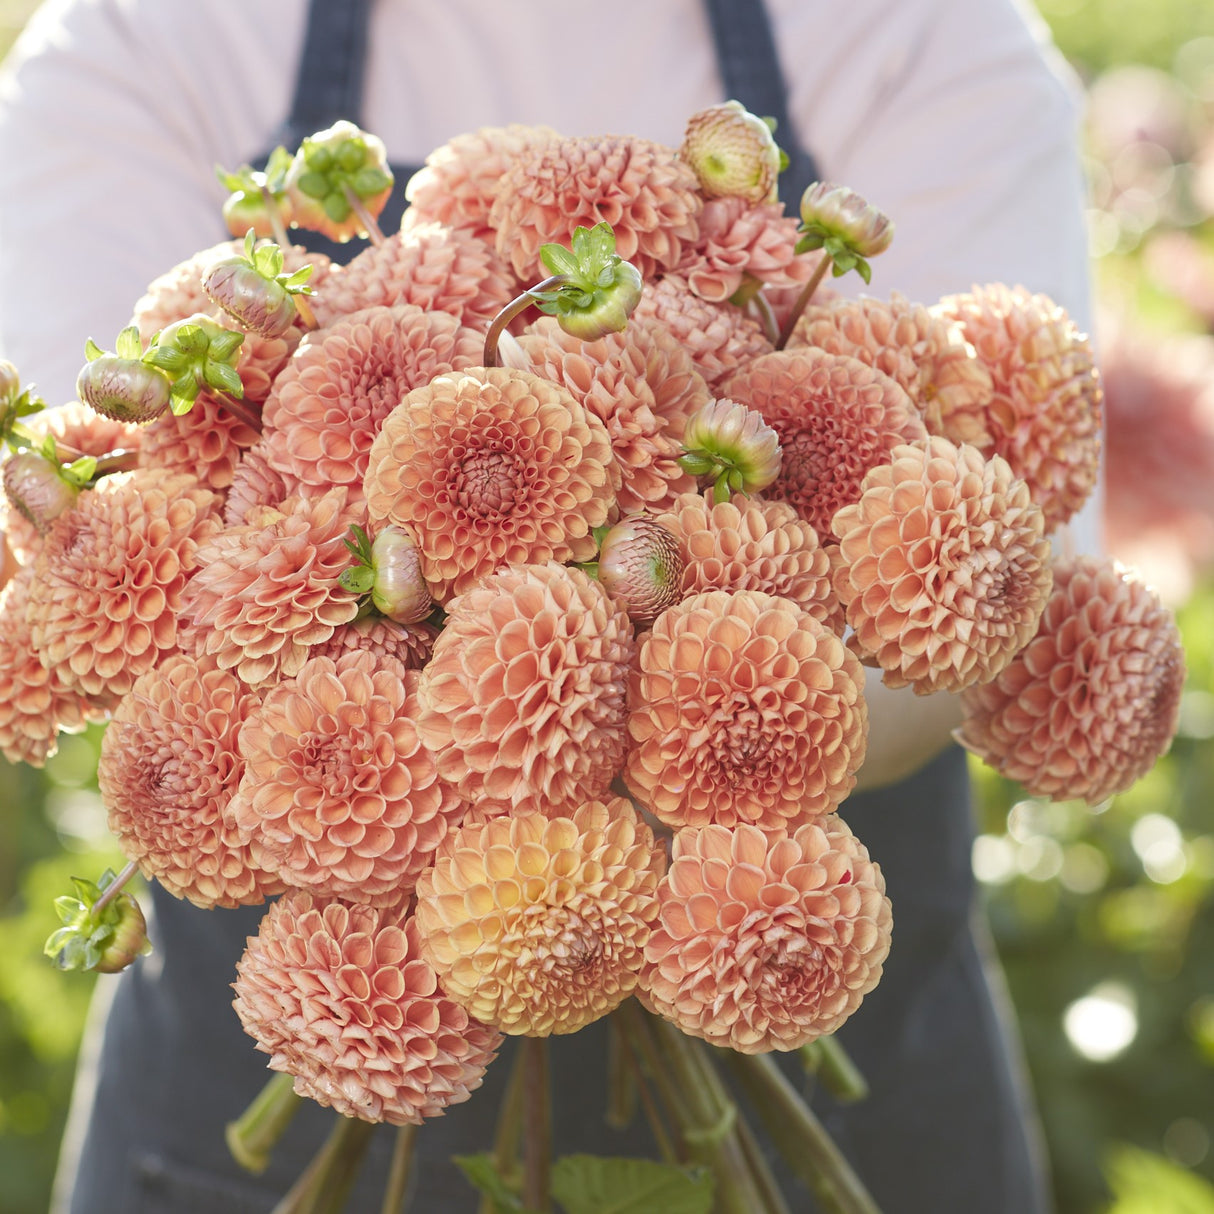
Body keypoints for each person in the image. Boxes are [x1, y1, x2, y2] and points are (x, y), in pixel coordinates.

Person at [0, 0, 1096, 1209]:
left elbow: (993, 591)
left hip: (824, 1003)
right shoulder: (148, 34)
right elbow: (81, 525)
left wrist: (570, 713)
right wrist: (512, 713)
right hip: (277, 1077)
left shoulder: (911, 28)